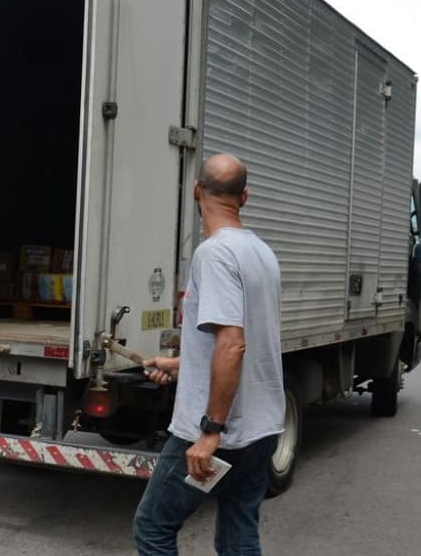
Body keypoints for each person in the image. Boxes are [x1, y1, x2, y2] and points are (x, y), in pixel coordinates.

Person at [133, 154, 284, 555]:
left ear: (196, 191)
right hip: (261, 429)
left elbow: (232, 344)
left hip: (222, 434)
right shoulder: (262, 253)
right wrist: (179, 365)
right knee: (239, 535)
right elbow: (236, 347)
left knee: (153, 528)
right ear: (245, 197)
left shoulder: (214, 254)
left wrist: (210, 432)